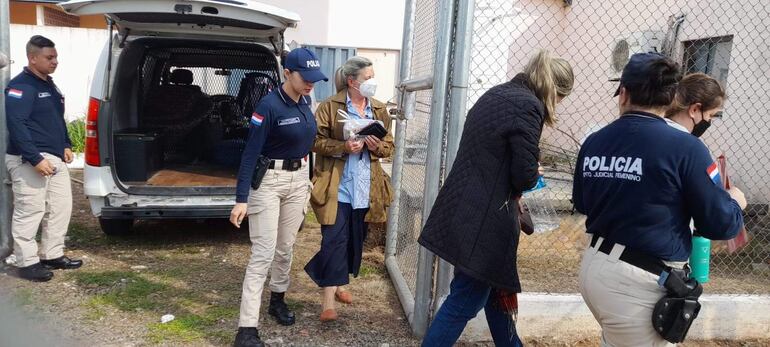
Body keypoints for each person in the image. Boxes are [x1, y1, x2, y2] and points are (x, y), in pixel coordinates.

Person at [572, 53, 746, 347]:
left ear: (624, 93)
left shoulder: (595, 140)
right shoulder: (686, 147)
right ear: (670, 97)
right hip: (636, 282)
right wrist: (735, 203)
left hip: (596, 268)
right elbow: (720, 225)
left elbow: (583, 201)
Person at [418, 50, 574, 346]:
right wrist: (534, 168)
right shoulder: (529, 107)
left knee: (493, 290)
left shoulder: (498, 93)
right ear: (555, 91)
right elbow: (524, 176)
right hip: (485, 222)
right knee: (464, 301)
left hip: (465, 208)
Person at [229, 47, 327, 347]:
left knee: (286, 248)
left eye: (314, 78)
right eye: (305, 77)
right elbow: (250, 153)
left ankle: (278, 299)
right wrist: (241, 198)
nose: (311, 83)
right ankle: (246, 328)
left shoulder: (305, 100)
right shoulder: (268, 106)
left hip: (297, 181)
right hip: (269, 182)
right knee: (263, 254)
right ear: (287, 73)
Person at [304, 56, 394, 322]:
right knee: (333, 240)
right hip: (337, 186)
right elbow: (315, 141)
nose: (373, 82)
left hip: (366, 188)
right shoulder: (330, 107)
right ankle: (327, 304)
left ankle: (339, 283)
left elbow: (389, 145)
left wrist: (375, 146)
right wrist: (343, 147)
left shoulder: (378, 109)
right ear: (352, 81)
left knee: (354, 238)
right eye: (368, 78)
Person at [5, 35, 81, 282]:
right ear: (32, 58)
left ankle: (52, 253)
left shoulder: (48, 84)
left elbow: (56, 119)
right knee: (31, 209)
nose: (55, 61)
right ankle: (26, 262)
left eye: (55, 57)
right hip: (30, 159)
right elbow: (17, 124)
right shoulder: (22, 87)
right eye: (49, 57)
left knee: (60, 208)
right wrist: (35, 158)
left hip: (54, 156)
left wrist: (66, 144)